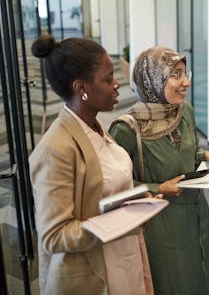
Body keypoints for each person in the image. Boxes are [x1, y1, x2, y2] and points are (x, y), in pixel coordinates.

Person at [29, 34, 153, 295]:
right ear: (82, 88)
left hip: (122, 254)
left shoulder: (94, 125)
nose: (116, 85)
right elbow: (54, 236)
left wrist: (136, 205)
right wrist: (122, 221)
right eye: (108, 79)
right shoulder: (55, 150)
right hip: (94, 270)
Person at [109, 46, 209, 295]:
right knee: (171, 283)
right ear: (153, 79)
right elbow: (113, 187)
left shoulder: (185, 112)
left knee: (200, 275)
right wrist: (156, 187)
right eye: (176, 74)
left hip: (195, 212)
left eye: (185, 73)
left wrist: (202, 156)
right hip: (160, 222)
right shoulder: (127, 129)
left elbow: (184, 155)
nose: (185, 82)